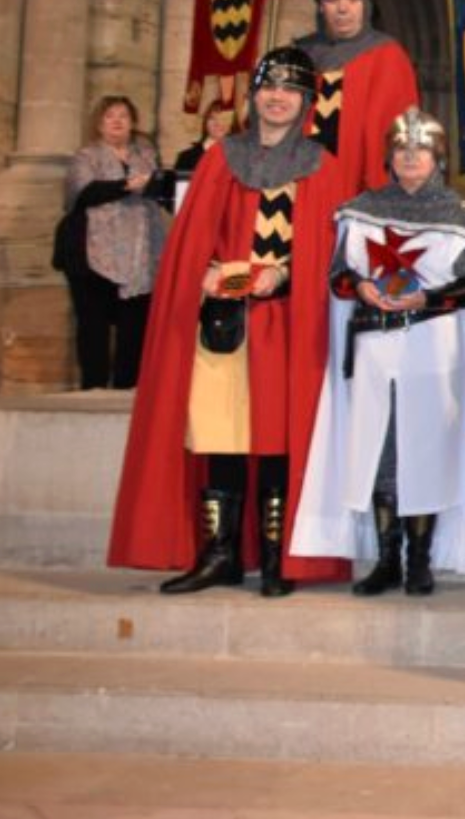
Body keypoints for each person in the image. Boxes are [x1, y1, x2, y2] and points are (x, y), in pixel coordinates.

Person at [108, 46, 352, 596]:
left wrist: (285, 274)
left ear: (306, 101)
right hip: (222, 322)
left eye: (290, 90)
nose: (277, 97)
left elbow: (330, 253)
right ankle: (218, 555)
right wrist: (205, 271)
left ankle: (274, 559)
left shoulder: (322, 165)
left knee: (276, 437)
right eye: (269, 87)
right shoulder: (221, 159)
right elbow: (191, 239)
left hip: (287, 321)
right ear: (254, 95)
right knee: (220, 434)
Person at [294, 108, 465, 597]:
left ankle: (418, 562)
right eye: (402, 151)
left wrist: (426, 298)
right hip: (376, 347)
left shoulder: (461, 218)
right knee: (381, 453)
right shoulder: (360, 211)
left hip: (431, 348)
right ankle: (387, 559)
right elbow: (337, 275)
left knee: (422, 452)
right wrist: (360, 287)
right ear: (390, 157)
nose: (410, 159)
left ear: (437, 158)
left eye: (420, 151)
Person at [60, 95, 168, 390]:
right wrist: (125, 185)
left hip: (140, 253)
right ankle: (93, 386)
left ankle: (127, 387)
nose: (118, 121)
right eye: (110, 116)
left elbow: (161, 192)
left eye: (124, 116)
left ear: (133, 123)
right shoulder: (87, 155)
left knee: (134, 325)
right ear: (99, 123)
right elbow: (80, 194)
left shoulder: (146, 154)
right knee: (92, 325)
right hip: (90, 254)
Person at [296, 0, 421, 196]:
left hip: (358, 193)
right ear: (321, 5)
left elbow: (398, 137)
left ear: (367, 5)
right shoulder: (300, 56)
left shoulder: (388, 57)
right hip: (300, 191)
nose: (343, 8)